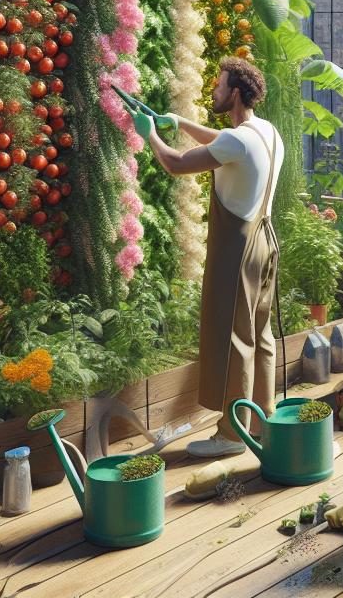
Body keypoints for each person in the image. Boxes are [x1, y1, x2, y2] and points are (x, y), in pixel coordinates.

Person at [130, 57, 284, 459]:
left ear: (234, 92)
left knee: (235, 339)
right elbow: (222, 140)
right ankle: (262, 422)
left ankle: (233, 436)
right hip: (266, 242)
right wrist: (179, 124)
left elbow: (175, 164)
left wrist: (150, 135)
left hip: (239, 247)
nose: (213, 91)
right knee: (260, 336)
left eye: (218, 85)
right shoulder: (264, 132)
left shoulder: (238, 141)